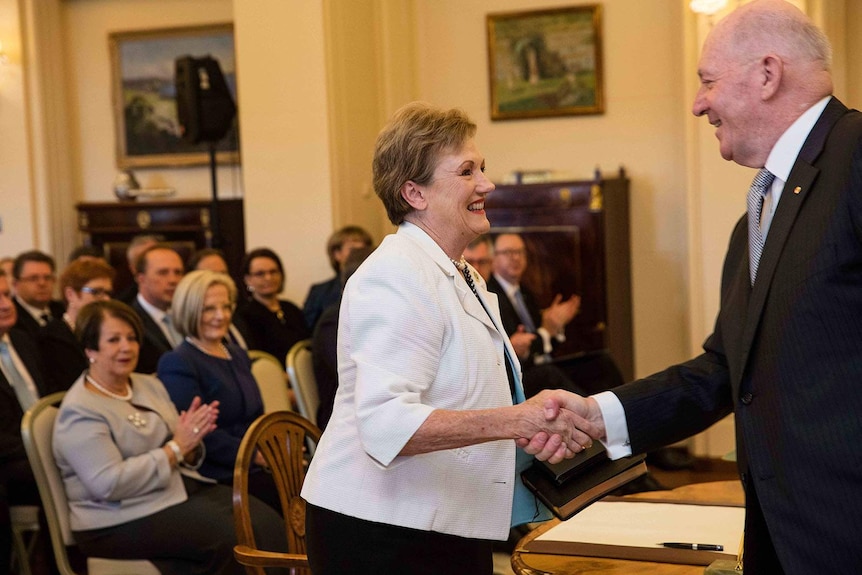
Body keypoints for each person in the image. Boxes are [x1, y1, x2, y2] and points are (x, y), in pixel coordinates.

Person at [547, 2, 862, 573]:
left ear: (767, 74)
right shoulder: (755, 220)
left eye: (707, 82)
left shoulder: (858, 154)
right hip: (784, 540)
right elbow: (725, 371)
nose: (698, 104)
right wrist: (599, 416)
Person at [301, 102, 596, 575]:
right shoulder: (396, 275)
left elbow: (471, 392)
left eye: (482, 168)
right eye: (466, 171)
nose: (487, 184)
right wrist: (516, 421)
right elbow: (387, 424)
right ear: (414, 192)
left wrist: (532, 425)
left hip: (445, 517)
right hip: (382, 533)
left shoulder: (461, 273)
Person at [52, 300, 286, 575]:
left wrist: (191, 444)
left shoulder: (148, 384)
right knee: (233, 540)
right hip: (115, 518)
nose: (126, 347)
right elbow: (108, 483)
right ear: (90, 350)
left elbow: (184, 445)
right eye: (113, 340)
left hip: (171, 490)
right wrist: (175, 449)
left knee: (267, 523)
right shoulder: (81, 410)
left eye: (131, 338)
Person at [157, 270, 278, 512]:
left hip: (255, 462)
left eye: (226, 306)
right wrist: (252, 454)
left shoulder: (237, 354)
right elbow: (199, 434)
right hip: (219, 472)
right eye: (209, 309)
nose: (221, 316)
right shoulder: (178, 362)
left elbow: (255, 415)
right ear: (189, 311)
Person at [0, 269, 59, 574]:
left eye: (7, 295)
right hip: (11, 461)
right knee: (60, 473)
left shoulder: (23, 341)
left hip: (45, 443)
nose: (5, 304)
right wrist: (40, 449)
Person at [311, 245, 374, 430]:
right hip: (345, 422)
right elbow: (356, 377)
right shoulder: (334, 320)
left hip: (372, 410)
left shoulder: (372, 313)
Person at [38, 258, 115, 392]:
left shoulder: (109, 333)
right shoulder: (51, 338)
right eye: (96, 292)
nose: (106, 299)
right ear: (71, 294)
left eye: (108, 293)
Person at [236, 248, 309, 368]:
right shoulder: (244, 316)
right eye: (260, 274)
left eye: (273, 272)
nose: (268, 278)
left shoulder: (291, 309)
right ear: (248, 280)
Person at [302, 225, 373, 329]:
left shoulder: (377, 285)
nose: (359, 254)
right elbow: (308, 330)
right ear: (337, 254)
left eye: (363, 249)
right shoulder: (319, 292)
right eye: (352, 249)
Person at [130, 244, 185, 373]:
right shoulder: (131, 321)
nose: (173, 280)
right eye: (163, 273)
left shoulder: (186, 316)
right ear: (141, 279)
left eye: (178, 272)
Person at [186, 248, 250, 349]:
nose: (218, 280)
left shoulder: (239, 316)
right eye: (209, 275)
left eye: (223, 274)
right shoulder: (187, 334)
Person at [11, 250, 66, 339]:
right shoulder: (10, 318)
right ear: (16, 284)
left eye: (47, 278)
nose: (42, 283)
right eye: (33, 278)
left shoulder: (62, 310)